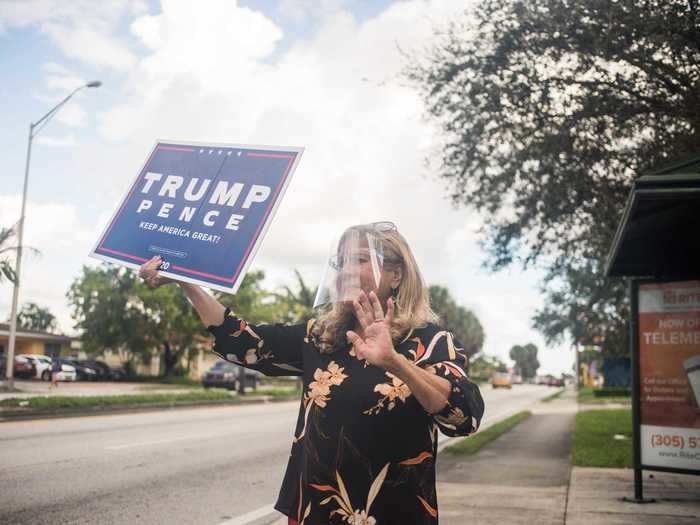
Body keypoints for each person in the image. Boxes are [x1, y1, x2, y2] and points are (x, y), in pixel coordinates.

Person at [139, 221, 484, 525]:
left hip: (392, 512)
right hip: (312, 511)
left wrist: (395, 362)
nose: (346, 269)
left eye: (360, 259)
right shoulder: (322, 336)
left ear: (396, 275)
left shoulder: (432, 341)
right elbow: (243, 340)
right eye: (341, 260)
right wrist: (185, 283)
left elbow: (463, 417)